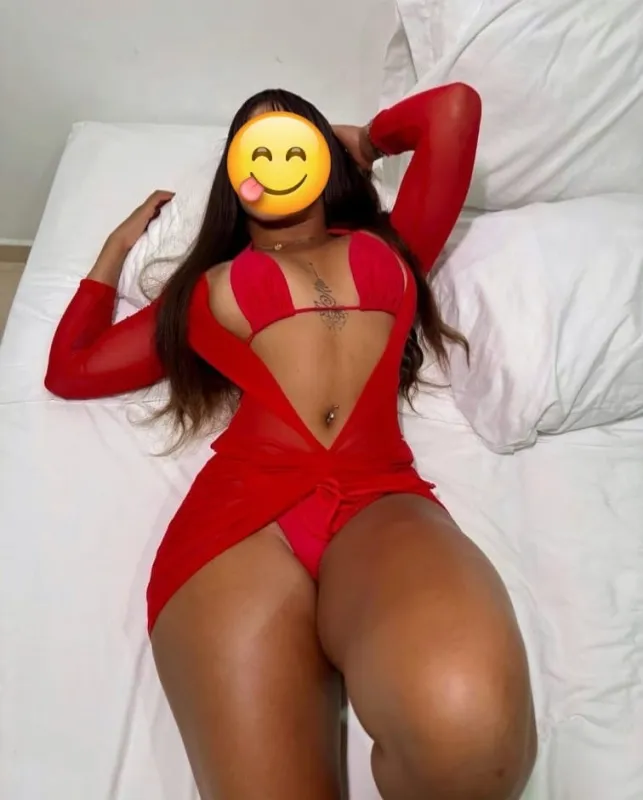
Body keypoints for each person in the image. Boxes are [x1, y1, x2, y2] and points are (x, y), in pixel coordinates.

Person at [45, 84, 536, 800]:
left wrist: (363, 141)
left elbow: (452, 111)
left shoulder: (393, 246)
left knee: (472, 747)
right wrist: (113, 250)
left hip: (380, 501)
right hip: (237, 526)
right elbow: (70, 370)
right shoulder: (199, 290)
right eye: (257, 148)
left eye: (292, 144)